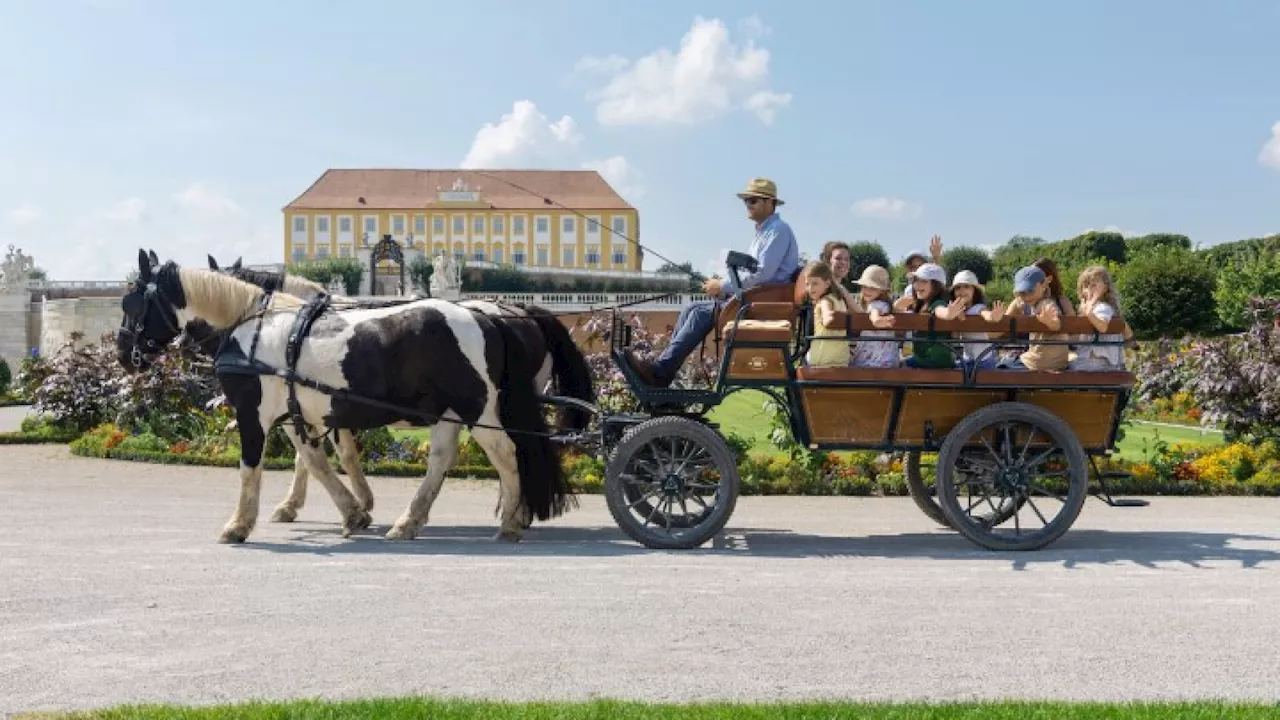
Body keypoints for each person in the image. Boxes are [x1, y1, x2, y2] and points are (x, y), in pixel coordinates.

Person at [625, 177, 799, 387]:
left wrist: (723, 286)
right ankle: (663, 370)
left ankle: (661, 372)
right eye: (746, 201)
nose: (748, 205)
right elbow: (752, 273)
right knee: (691, 307)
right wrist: (722, 285)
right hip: (755, 297)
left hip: (763, 304)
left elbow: (762, 273)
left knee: (699, 313)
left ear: (770, 203)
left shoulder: (778, 231)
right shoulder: (765, 232)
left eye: (753, 200)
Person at [999, 265, 1068, 371]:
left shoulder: (1046, 304)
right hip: (1059, 362)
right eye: (1022, 293)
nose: (1026, 297)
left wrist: (1050, 322)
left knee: (1000, 366)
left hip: (1038, 363)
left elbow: (1057, 324)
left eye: (1030, 291)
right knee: (1008, 361)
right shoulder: (1035, 304)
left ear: (1043, 285)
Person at [934, 270, 1005, 372]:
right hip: (967, 359)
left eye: (966, 286)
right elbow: (955, 337)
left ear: (974, 291)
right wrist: (957, 320)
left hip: (984, 360)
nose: (962, 291)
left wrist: (993, 317)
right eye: (958, 288)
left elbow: (985, 314)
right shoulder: (956, 311)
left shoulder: (978, 307)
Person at [1072, 265, 1127, 370]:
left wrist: (1089, 313)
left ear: (1105, 288)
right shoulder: (1096, 308)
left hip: (1099, 363)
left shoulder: (1103, 307)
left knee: (1064, 370)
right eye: (1086, 286)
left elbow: (1102, 326)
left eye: (1094, 285)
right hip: (1095, 362)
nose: (1089, 290)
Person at [902, 263, 957, 369]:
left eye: (924, 281)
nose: (917, 285)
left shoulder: (937, 303)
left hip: (932, 360)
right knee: (900, 365)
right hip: (930, 358)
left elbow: (940, 310)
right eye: (916, 280)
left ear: (936, 285)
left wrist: (948, 313)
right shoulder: (921, 305)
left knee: (898, 367)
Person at [848, 264, 900, 368]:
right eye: (864, 287)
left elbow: (874, 317)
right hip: (888, 360)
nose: (867, 290)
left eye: (872, 288)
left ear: (881, 290)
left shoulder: (876, 305)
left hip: (870, 361)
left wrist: (878, 321)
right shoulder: (886, 305)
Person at [802, 261, 851, 367]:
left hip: (822, 359)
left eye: (815, 283)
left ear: (827, 283)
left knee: (803, 361)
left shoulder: (825, 301)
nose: (810, 288)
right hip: (841, 359)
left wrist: (828, 318)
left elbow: (827, 314)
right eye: (807, 284)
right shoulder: (840, 300)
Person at [893, 235, 944, 310]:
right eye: (912, 267)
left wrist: (936, 258)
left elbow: (935, 278)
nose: (917, 269)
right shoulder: (909, 289)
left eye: (920, 265)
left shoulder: (933, 285)